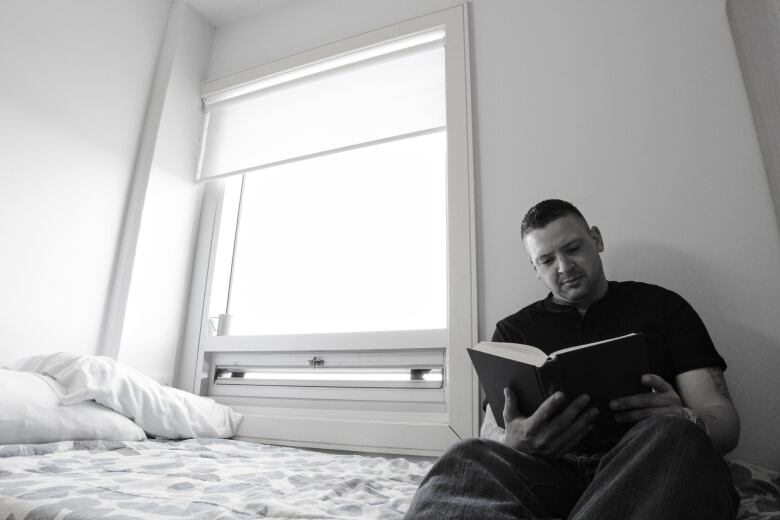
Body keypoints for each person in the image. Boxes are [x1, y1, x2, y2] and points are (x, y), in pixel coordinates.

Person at [404, 199, 741, 520]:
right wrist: (515, 441)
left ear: (596, 239)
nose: (564, 267)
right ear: (534, 268)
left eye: (573, 248)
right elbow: (492, 435)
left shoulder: (663, 306)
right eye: (547, 260)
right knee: (466, 457)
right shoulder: (512, 331)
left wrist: (684, 418)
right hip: (550, 475)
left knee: (679, 436)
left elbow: (725, 425)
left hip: (646, 461)